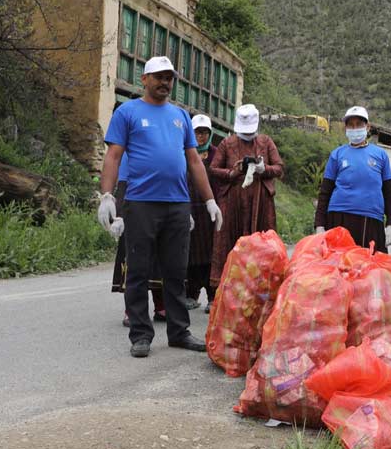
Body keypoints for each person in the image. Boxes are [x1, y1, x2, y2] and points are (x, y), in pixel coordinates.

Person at [97, 55, 224, 359]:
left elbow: (194, 161)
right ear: (145, 79)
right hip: (140, 202)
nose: (165, 83)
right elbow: (113, 156)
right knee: (138, 271)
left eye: (169, 78)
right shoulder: (127, 112)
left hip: (178, 204)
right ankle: (141, 334)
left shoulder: (180, 116)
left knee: (176, 271)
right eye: (159, 77)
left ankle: (179, 332)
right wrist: (107, 196)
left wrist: (209, 200)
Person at [209, 104, 284, 296]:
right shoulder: (227, 144)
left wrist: (263, 169)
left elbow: (279, 167)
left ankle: (261, 290)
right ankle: (227, 290)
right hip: (233, 201)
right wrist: (232, 172)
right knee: (229, 242)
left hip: (260, 202)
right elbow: (214, 169)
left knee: (262, 243)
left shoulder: (266, 142)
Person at [314, 106, 391, 251]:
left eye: (359, 124)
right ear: (345, 128)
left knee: (369, 263)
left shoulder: (381, 155)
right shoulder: (337, 154)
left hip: (371, 219)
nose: (354, 128)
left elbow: (389, 193)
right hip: (338, 217)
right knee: (339, 262)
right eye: (350, 125)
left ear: (367, 127)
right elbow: (325, 192)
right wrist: (319, 225)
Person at [111, 152, 166, 326]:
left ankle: (161, 305)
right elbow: (122, 184)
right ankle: (131, 310)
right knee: (134, 261)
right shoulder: (129, 153)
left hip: (159, 201)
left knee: (159, 257)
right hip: (134, 207)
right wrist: (119, 215)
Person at [186, 114, 217, 313]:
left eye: (205, 132)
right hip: (189, 208)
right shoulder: (184, 152)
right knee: (190, 253)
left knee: (211, 253)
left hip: (210, 210)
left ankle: (213, 296)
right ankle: (190, 293)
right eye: (197, 132)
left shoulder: (216, 154)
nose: (201, 136)